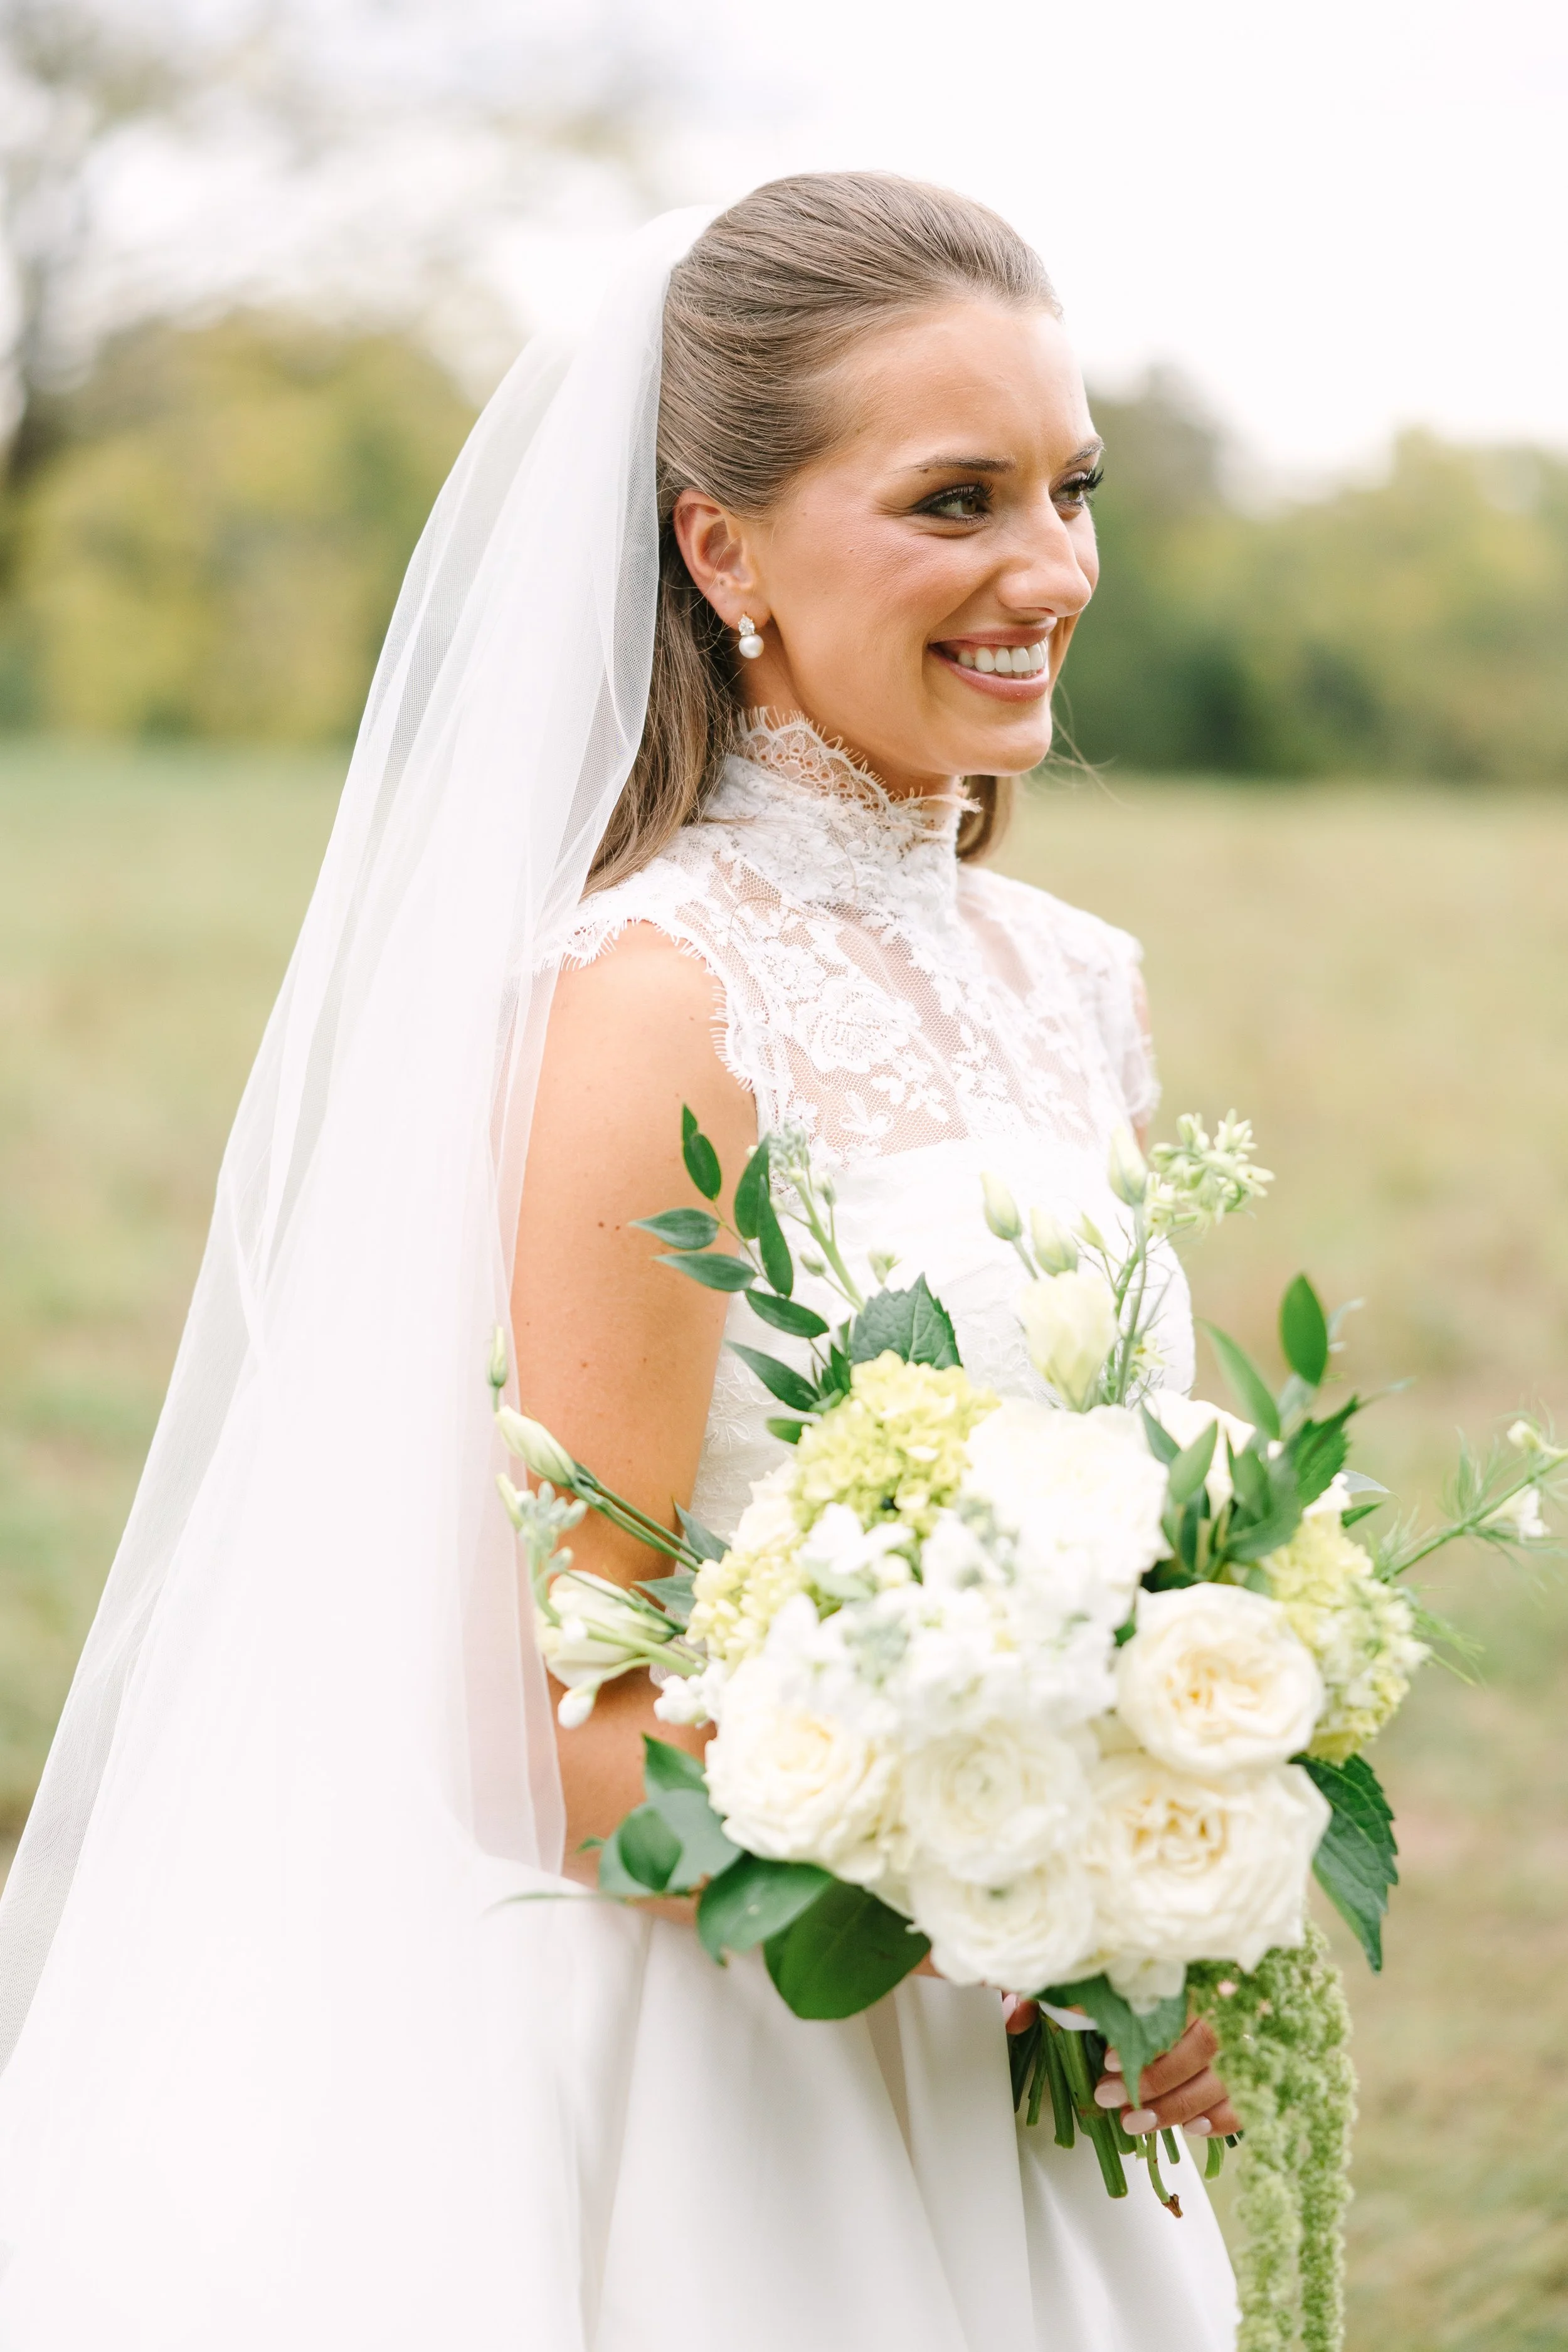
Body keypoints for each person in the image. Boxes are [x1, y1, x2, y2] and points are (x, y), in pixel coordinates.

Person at [0, 175, 1238, 2348]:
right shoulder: (658, 997)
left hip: (1028, 2045)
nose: (1047, 569)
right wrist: (988, 1884)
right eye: (954, 498)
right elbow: (538, 1717)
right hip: (739, 2069)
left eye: (1069, 487)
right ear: (718, 544)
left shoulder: (1077, 980)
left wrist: (1169, 1868)